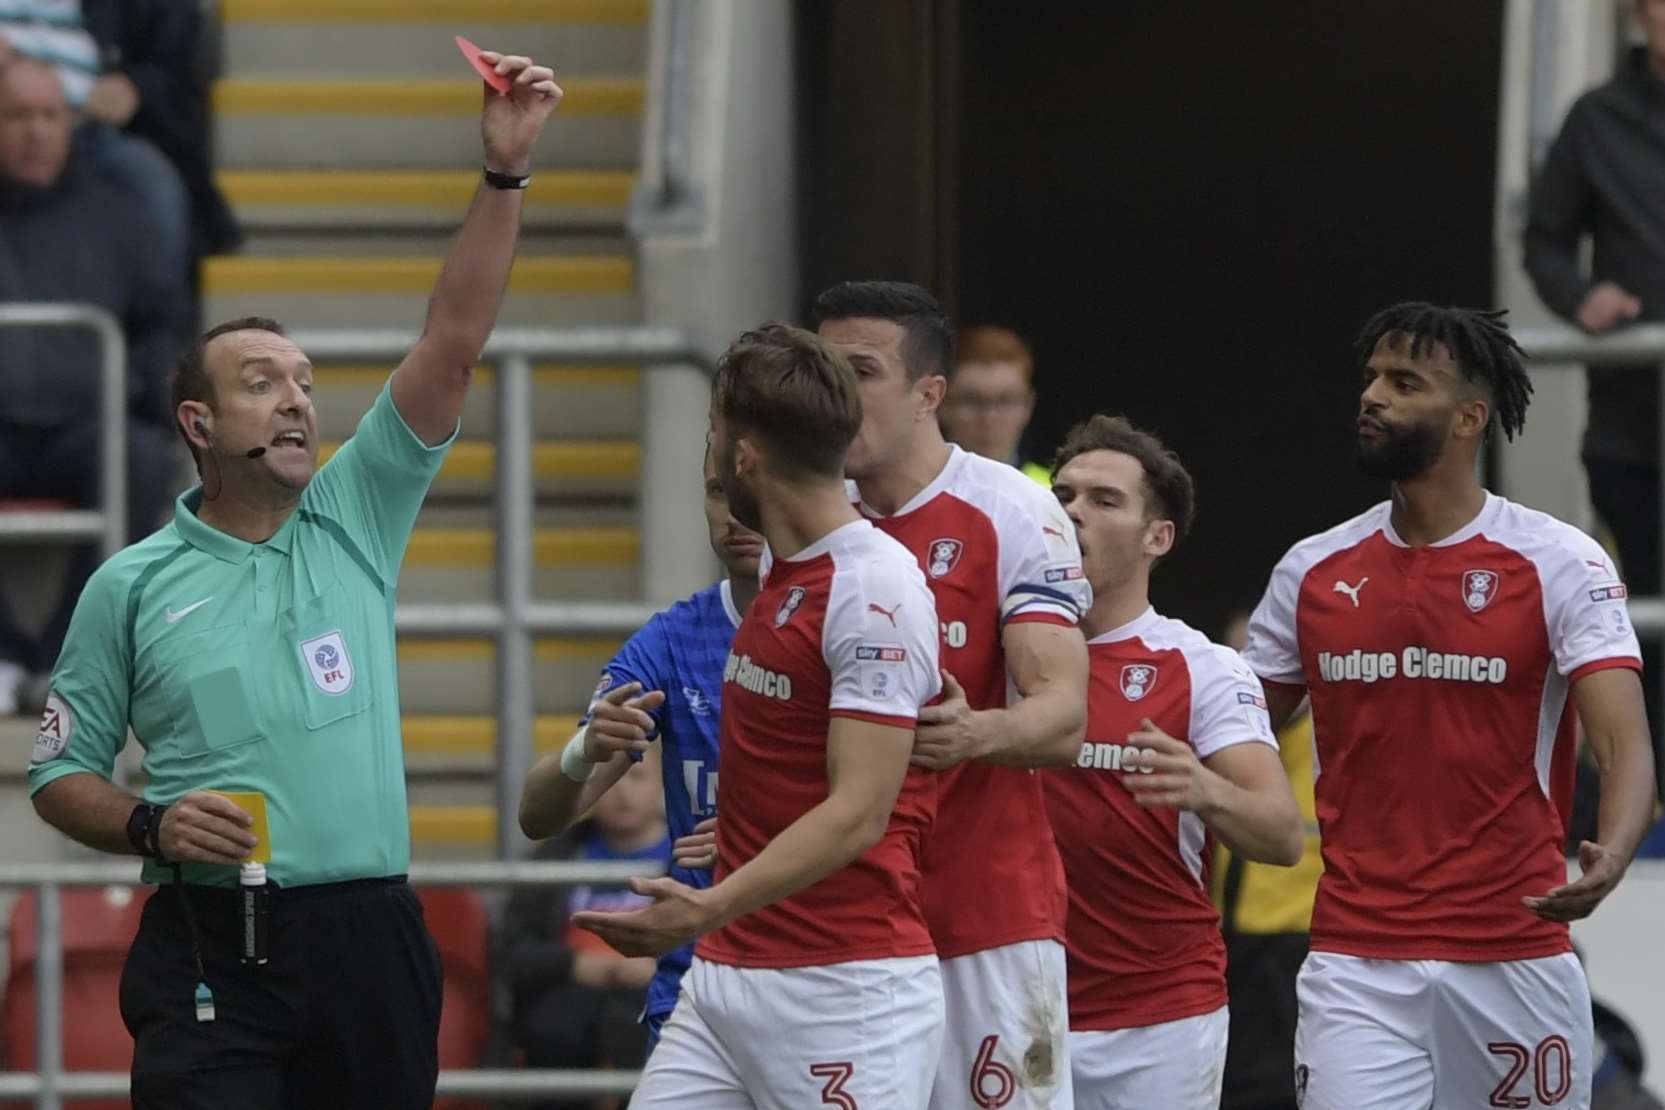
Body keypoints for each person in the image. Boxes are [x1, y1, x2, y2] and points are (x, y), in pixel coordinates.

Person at [24, 47, 564, 1109]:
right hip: (209, 942)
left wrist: (504, 177)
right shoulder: (128, 586)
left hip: (370, 934)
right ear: (197, 424)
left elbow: (452, 345)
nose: (295, 403)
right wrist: (148, 824)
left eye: (306, 384)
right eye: (261, 383)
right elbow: (58, 775)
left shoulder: (355, 516)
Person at [1243, 302, 1657, 1110]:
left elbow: (1625, 744)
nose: (1372, 396)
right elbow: (1239, 732)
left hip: (1511, 951)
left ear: (1470, 416)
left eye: (1404, 383)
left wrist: (1612, 848)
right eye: (1370, 378)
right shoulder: (1312, 570)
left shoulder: (1557, 560)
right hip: (1355, 958)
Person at [573, 323, 946, 1108]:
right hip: (724, 980)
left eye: (712, 435)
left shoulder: (873, 588)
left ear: (742, 454)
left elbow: (858, 813)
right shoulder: (781, 568)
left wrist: (706, 903)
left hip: (841, 988)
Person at [815, 281, 1092, 1110]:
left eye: (859, 370)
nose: (833, 392)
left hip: (985, 916)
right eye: (820, 368)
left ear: (928, 394)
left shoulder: (1014, 506)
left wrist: (973, 733)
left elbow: (1063, 715)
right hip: (842, 919)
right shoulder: (805, 520)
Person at [1043, 414, 1302, 1109]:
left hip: (1155, 1018)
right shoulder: (997, 654)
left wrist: (1203, 788)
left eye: (1103, 500)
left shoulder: (1202, 668)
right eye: (1063, 496)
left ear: (1157, 538)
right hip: (1011, 1004)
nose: (1073, 513)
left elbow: (1279, 834)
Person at [518, 442, 763, 1049]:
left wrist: (760, 834)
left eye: (753, 485)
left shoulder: (858, 613)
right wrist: (586, 750)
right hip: (694, 990)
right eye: (715, 491)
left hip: (824, 969)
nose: (734, 510)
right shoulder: (671, 640)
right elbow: (539, 815)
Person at [0, 55, 189, 716]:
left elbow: (163, 320)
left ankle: (60, 656)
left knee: (139, 458)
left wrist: (136, 389)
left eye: (50, 115)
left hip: (88, 423)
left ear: (71, 123)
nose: (35, 131)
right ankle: (1, 653)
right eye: (17, 115)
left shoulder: (120, 212)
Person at [1523, 0, 1665, 802]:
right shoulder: (1597, 119)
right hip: (1632, 429)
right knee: (1639, 620)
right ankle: (1642, 807)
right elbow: (1543, 240)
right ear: (1641, 13)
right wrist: (1581, 298)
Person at [504, 759, 670, 1110]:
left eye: (636, 775)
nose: (621, 791)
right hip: (571, 996)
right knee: (550, 1029)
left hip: (661, 993)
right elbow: (513, 949)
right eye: (607, 778)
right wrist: (573, 964)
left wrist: (663, 965)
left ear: (664, 780)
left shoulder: (691, 852)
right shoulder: (555, 855)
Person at [1214, 608, 1324, 1110]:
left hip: (1294, 943)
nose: (1250, 677)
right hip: (1224, 939)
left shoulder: (1328, 740)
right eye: (1237, 663)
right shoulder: (1221, 736)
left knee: (1279, 1087)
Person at [939, 324, 1050, 485]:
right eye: (971, 400)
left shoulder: (1056, 494)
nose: (989, 418)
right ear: (939, 405)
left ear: (1028, 405)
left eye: (1006, 400)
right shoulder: (908, 493)